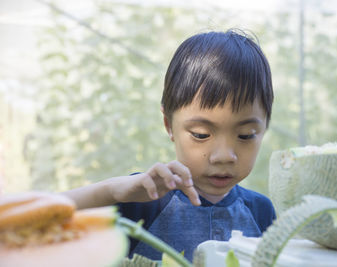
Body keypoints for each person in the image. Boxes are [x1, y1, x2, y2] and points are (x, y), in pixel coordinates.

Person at [62, 29, 276, 261]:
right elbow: (37, 217)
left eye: (245, 135)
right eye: (201, 134)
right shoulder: (142, 201)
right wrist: (113, 191)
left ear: (264, 127)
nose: (224, 156)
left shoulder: (261, 213)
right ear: (168, 124)